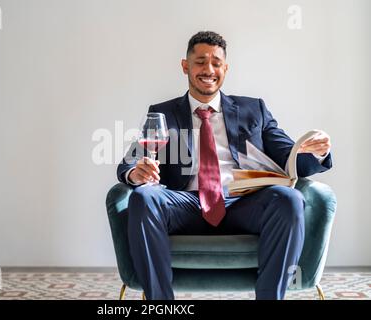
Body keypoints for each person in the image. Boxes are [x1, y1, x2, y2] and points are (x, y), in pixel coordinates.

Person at [116, 31, 332, 300]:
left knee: (289, 198)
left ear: (225, 68)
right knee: (144, 196)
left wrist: (317, 152)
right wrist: (136, 173)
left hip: (243, 203)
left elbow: (290, 157)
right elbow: (130, 162)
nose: (209, 69)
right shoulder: (163, 112)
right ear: (185, 66)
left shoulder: (254, 110)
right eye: (200, 61)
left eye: (216, 62)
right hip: (184, 204)